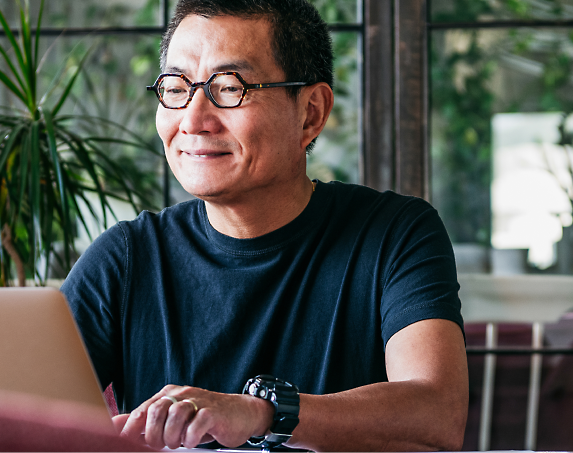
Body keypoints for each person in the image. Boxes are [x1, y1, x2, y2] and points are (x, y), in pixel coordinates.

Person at [60, 0, 468, 451]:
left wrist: (261, 413)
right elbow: (16, 412)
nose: (193, 120)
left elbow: (436, 412)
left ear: (310, 112)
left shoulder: (394, 234)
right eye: (177, 88)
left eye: (229, 87)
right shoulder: (126, 258)